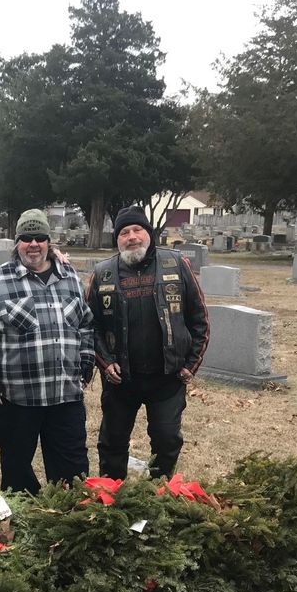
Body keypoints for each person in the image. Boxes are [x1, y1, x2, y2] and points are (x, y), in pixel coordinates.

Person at [0, 208, 94, 494]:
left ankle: (68, 523)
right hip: (16, 399)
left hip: (65, 397)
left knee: (72, 476)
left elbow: (86, 323)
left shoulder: (70, 277)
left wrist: (87, 358)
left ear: (49, 241)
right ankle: (21, 527)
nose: (33, 244)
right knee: (16, 474)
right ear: (17, 241)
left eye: (39, 237)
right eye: (26, 237)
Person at [88, 205, 209, 480]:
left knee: (167, 442)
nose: (132, 237)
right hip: (121, 381)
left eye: (137, 230)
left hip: (167, 378)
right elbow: (90, 326)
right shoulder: (102, 273)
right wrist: (106, 363)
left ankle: (159, 494)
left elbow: (199, 317)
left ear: (149, 234)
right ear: (117, 239)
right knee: (112, 444)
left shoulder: (177, 265)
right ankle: (111, 498)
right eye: (125, 232)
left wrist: (192, 364)